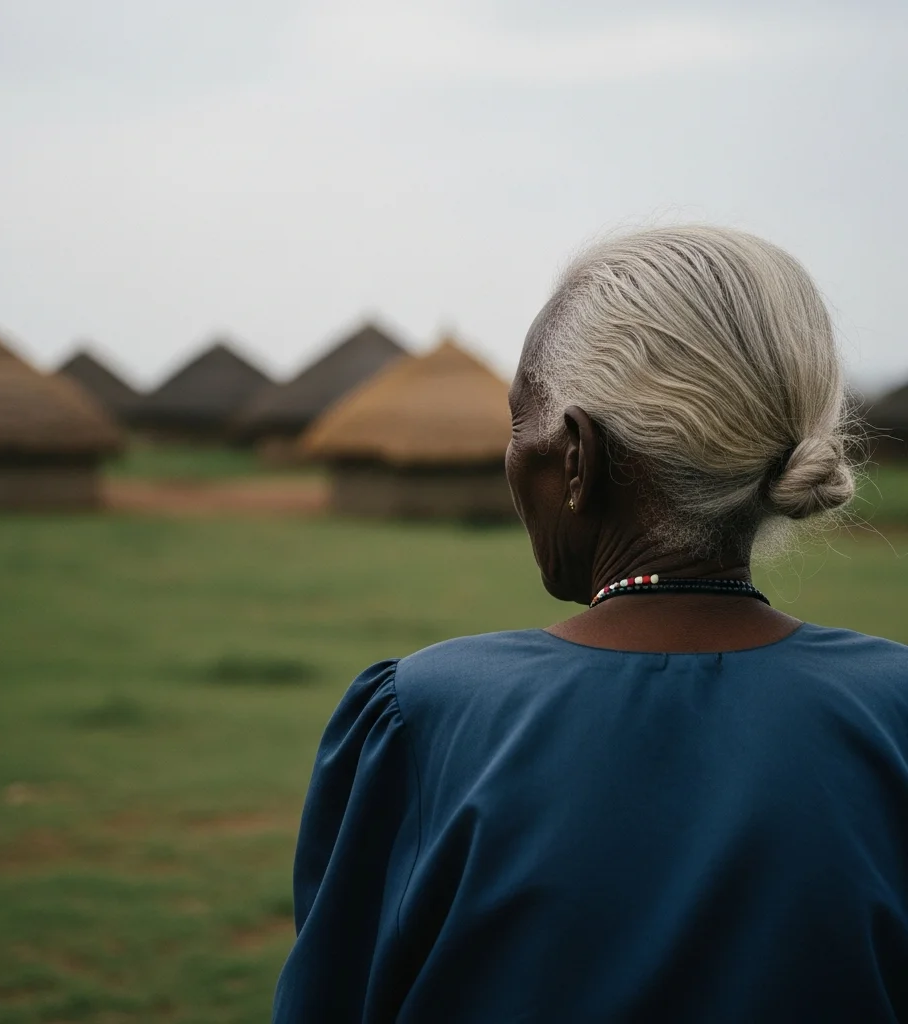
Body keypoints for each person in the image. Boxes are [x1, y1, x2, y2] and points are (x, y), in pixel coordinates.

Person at [272, 225, 908, 1023]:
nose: (512, 457)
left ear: (576, 456)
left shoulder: (427, 720)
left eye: (517, 424)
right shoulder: (897, 713)